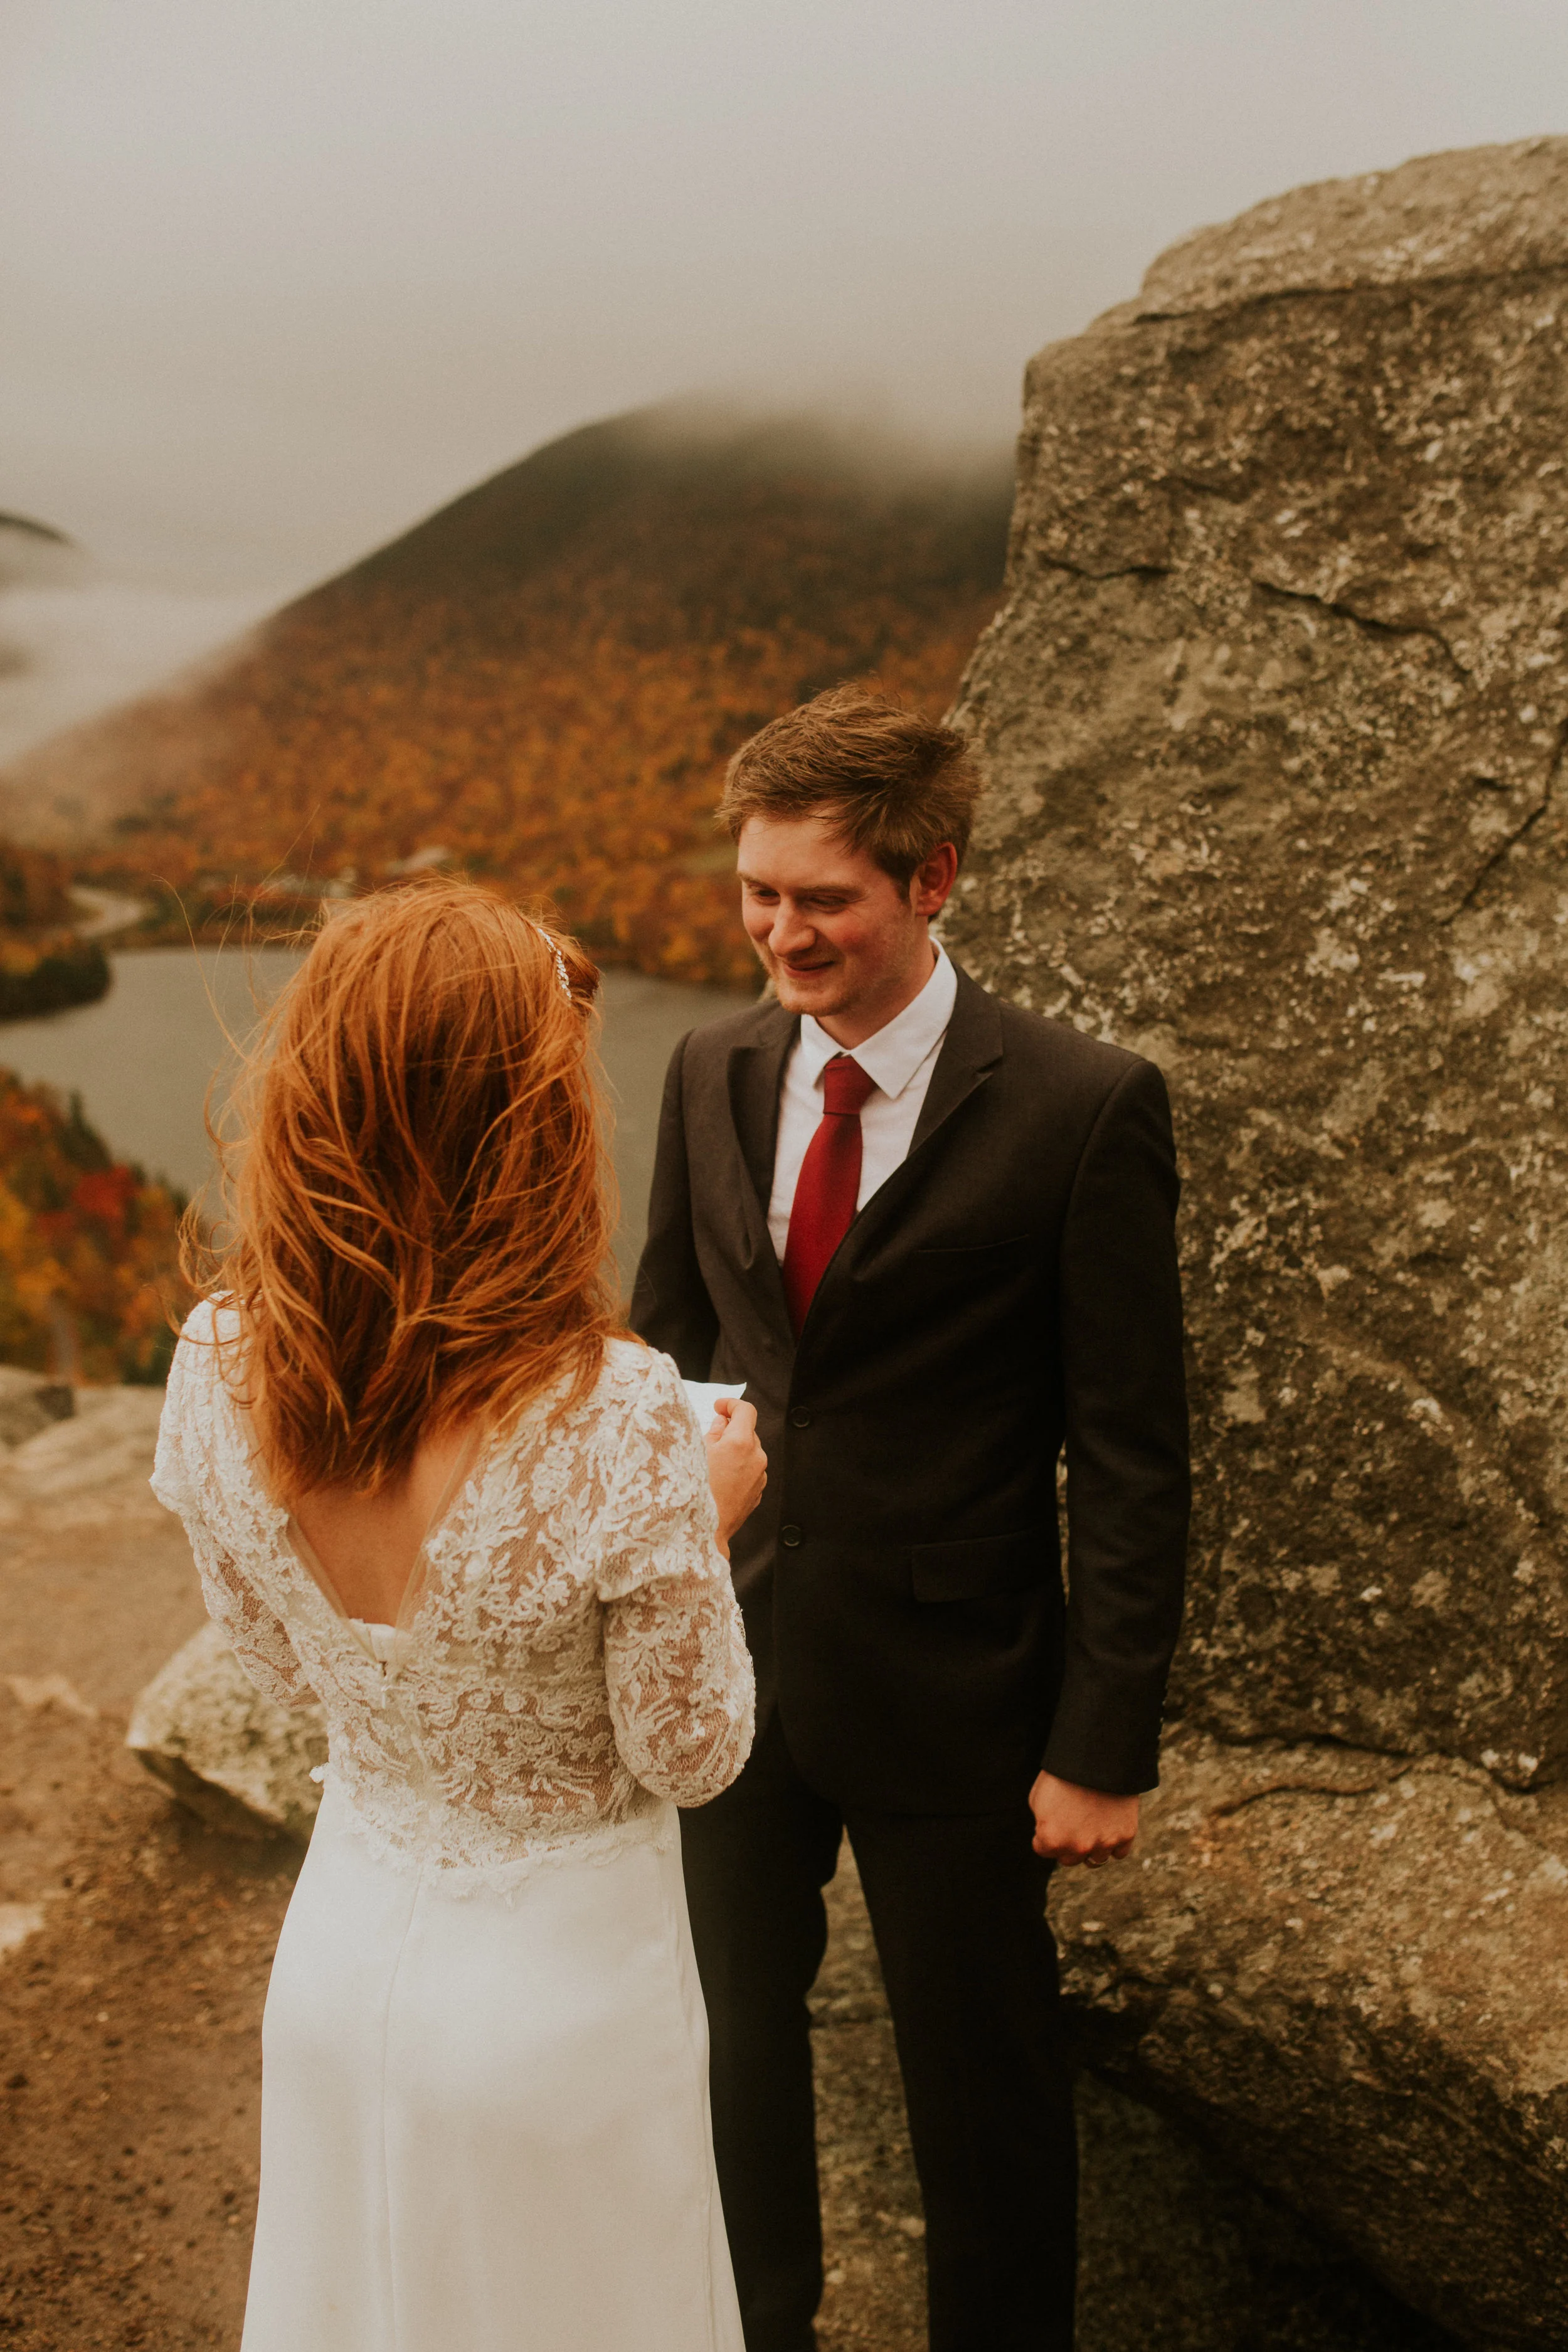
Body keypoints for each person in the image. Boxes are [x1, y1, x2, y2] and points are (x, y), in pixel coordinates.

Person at [631, 686, 1190, 2352]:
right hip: (728, 1670)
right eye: (756, 891)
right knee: (722, 2046)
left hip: (961, 1690)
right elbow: (664, 1355)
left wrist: (1102, 1740)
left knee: (984, 2091)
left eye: (822, 898)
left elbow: (1134, 1448)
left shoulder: (1082, 1105)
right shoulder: (705, 1066)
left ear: (931, 875)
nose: (776, 931)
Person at [151, 882, 767, 2352]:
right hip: (564, 2007)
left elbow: (273, 1662)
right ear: (528, 1126)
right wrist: (709, 1512)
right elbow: (690, 1754)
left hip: (344, 1954)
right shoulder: (614, 1414)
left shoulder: (214, 1354)